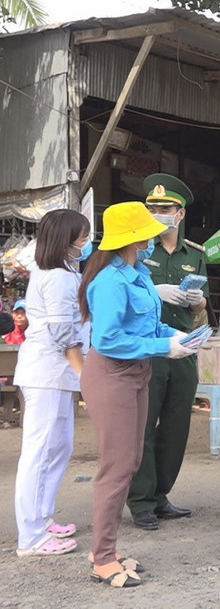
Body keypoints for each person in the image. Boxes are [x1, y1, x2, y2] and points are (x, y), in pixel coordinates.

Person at [78, 202, 197, 587]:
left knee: (131, 461)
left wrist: (174, 336)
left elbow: (152, 322)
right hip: (113, 374)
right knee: (116, 468)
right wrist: (164, 348)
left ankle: (106, 549)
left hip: (136, 372)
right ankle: (103, 558)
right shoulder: (110, 282)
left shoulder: (137, 273)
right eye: (148, 231)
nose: (154, 236)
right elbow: (108, 339)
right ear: (133, 238)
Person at [127, 173, 208, 531]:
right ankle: (141, 501)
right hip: (149, 349)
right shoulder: (138, 249)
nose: (158, 213)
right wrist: (152, 290)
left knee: (176, 426)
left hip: (184, 346)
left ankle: (161, 496)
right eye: (152, 208)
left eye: (165, 208)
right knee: (143, 426)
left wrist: (198, 301)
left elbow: (201, 312)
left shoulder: (195, 254)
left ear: (180, 213)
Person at [12, 209, 90, 558]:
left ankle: (41, 519)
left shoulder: (62, 272)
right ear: (66, 240)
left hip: (56, 375)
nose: (86, 243)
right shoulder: (56, 276)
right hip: (48, 372)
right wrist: (86, 375)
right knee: (42, 452)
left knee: (58, 448)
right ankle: (30, 536)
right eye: (83, 237)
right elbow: (62, 333)